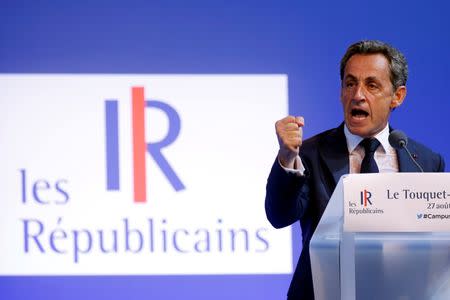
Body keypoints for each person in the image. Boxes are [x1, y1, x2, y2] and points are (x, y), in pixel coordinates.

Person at [265, 40, 445, 300]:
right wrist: (286, 156)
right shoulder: (311, 154)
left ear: (398, 96)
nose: (357, 94)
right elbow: (279, 215)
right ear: (341, 92)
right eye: (350, 83)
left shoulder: (426, 162)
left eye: (372, 85)